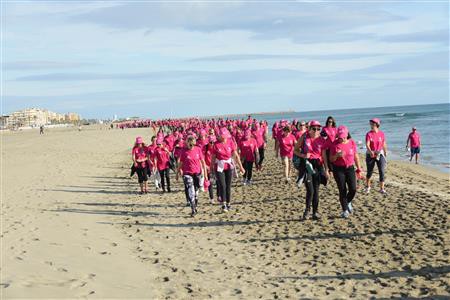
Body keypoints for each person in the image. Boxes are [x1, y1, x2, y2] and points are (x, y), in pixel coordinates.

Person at [294, 120, 329, 220]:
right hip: (307, 165)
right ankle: (307, 211)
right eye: (314, 128)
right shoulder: (304, 137)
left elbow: (324, 156)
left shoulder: (322, 140)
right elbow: (295, 150)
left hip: (318, 165)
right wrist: (303, 155)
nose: (316, 131)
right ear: (309, 129)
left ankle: (315, 212)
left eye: (318, 129)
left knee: (316, 191)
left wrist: (326, 169)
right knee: (310, 190)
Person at [329, 126, 363, 218]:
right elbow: (331, 159)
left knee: (353, 189)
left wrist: (359, 168)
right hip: (338, 169)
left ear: (347, 134)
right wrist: (336, 155)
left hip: (350, 168)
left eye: (343, 136)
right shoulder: (334, 144)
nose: (342, 138)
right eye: (340, 136)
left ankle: (347, 202)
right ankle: (345, 210)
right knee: (342, 189)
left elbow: (356, 156)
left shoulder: (351, 142)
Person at [210, 128, 245, 212]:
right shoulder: (216, 144)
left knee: (228, 186)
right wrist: (211, 169)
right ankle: (224, 204)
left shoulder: (230, 142)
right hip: (219, 167)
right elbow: (213, 158)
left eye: (225, 136)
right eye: (222, 136)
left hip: (229, 166)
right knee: (223, 185)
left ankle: (228, 204)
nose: (224, 137)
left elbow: (236, 156)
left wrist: (241, 167)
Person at [176, 136, 208, 217]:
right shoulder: (184, 151)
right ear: (187, 143)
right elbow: (181, 163)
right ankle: (193, 208)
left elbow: (203, 162)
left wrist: (205, 174)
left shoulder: (198, 149)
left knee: (196, 192)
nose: (191, 146)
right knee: (191, 190)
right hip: (187, 173)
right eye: (190, 144)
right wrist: (177, 172)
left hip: (197, 173)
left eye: (193, 144)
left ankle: (195, 205)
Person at [365, 118, 388, 194]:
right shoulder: (369, 134)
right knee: (369, 172)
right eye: (370, 123)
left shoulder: (382, 134)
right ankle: (368, 187)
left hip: (379, 154)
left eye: (372, 123)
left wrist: (385, 152)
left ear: (377, 124)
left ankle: (382, 188)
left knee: (382, 171)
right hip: (370, 154)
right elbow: (367, 144)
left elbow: (384, 143)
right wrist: (371, 151)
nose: (371, 125)